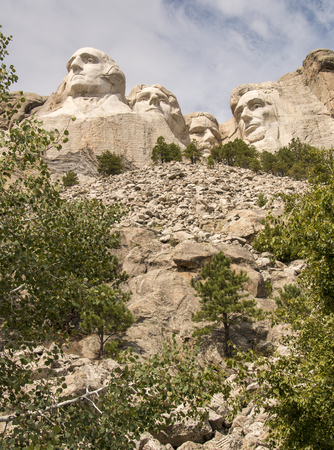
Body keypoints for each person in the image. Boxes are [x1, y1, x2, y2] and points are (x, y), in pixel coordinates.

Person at [37, 47, 130, 117]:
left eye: (89, 60)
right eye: (69, 67)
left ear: (112, 72)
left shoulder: (126, 115)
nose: (74, 65)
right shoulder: (45, 120)